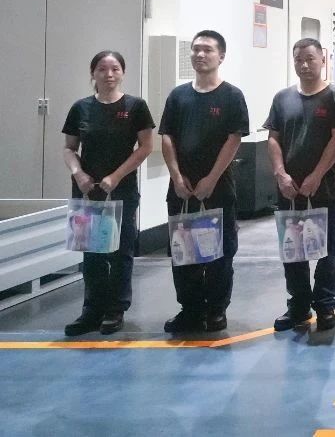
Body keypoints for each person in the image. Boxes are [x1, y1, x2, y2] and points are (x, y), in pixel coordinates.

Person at [159, 30, 250, 334]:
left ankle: (216, 310)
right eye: (196, 49)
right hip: (181, 189)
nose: (200, 55)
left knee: (220, 251)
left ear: (221, 56)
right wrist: (176, 176)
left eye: (207, 50)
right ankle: (190, 309)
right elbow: (167, 137)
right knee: (183, 250)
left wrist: (211, 178)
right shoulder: (178, 96)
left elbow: (234, 139)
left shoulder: (231, 96)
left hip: (218, 187)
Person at [60, 50, 155, 336]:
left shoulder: (135, 107)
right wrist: (78, 173)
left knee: (121, 250)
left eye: (115, 68)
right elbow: (69, 148)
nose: (109, 74)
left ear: (123, 73)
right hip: (88, 191)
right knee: (92, 252)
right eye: (102, 69)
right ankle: (92, 309)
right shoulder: (81, 108)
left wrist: (116, 176)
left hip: (121, 189)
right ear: (93, 74)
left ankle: (116, 309)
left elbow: (146, 147)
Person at [265, 38, 335, 334]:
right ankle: (299, 306)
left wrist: (316, 175)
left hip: (324, 189)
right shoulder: (282, 98)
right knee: (293, 250)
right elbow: (273, 138)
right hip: (289, 189)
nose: (304, 65)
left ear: (322, 59)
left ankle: (325, 306)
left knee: (328, 249)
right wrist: (280, 174)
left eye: (310, 59)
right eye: (299, 59)